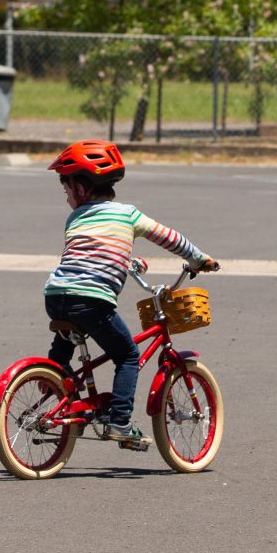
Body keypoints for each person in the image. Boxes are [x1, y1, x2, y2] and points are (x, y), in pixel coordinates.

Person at [40, 140, 218, 451]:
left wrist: (129, 263)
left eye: (66, 189)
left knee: (68, 336)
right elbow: (169, 238)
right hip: (92, 300)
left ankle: (55, 377)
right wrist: (198, 258)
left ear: (81, 189)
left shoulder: (76, 218)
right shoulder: (128, 215)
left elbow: (90, 254)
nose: (67, 196)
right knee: (127, 356)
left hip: (56, 294)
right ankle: (120, 422)